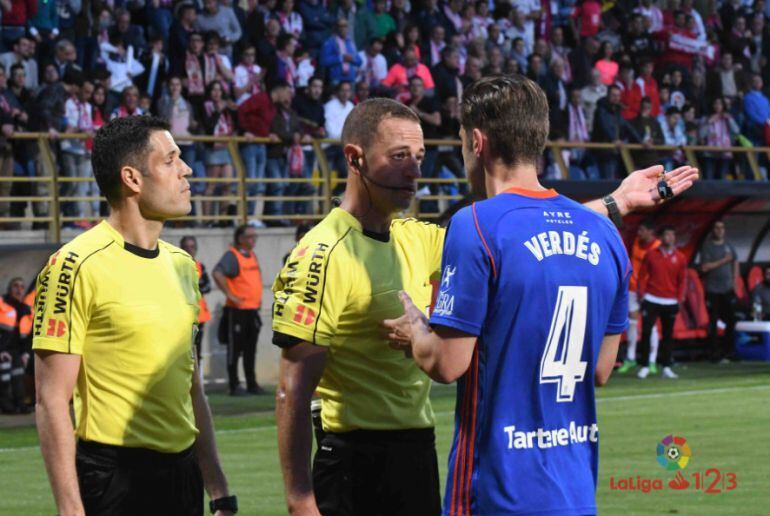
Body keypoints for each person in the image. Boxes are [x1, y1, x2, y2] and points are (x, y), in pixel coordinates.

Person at [271, 95, 698, 515]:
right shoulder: (322, 254)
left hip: (419, 449)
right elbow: (293, 385)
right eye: (400, 155)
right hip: (351, 458)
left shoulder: (417, 238)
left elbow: (517, 236)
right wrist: (300, 499)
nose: (416, 170)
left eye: (420, 156)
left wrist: (614, 203)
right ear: (355, 157)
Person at [382, 74, 631, 516]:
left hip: (497, 491)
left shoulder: (476, 224)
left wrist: (416, 329)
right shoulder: (605, 233)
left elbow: (446, 363)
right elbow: (602, 369)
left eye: (461, 143)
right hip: (574, 490)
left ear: (477, 141)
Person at [33, 116, 236, 515]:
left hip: (183, 475)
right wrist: (71, 510)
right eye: (170, 160)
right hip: (114, 479)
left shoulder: (182, 266)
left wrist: (217, 485)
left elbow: (190, 384)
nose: (186, 170)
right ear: (132, 178)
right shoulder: (74, 265)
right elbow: (52, 400)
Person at [213, 225, 265, 396]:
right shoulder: (232, 255)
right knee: (234, 350)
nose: (253, 239)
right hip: (237, 311)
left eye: (254, 236)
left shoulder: (252, 255)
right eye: (250, 236)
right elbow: (217, 273)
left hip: (252, 311)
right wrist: (230, 294)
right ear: (240, 238)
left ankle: (252, 384)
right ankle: (234, 385)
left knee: (251, 350)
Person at [636, 225, 687, 379]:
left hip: (670, 301)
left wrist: (679, 298)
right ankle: (644, 365)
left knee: (668, 335)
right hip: (651, 299)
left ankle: (666, 366)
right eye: (666, 235)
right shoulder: (651, 255)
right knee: (645, 332)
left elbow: (682, 280)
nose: (669, 238)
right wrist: (642, 295)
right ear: (661, 238)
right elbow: (642, 276)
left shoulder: (680, 257)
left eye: (672, 235)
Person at [617, 219, 662, 374]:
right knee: (632, 323)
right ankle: (630, 358)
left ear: (651, 232)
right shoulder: (636, 242)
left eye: (642, 230)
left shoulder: (657, 248)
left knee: (652, 325)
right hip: (633, 288)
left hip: (650, 291)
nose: (639, 233)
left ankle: (652, 361)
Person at [698, 220, 739, 362]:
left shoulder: (729, 245)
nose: (720, 230)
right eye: (717, 228)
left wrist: (735, 282)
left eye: (722, 228)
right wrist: (723, 260)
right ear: (713, 230)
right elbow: (704, 267)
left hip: (727, 289)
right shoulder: (707, 247)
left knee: (731, 320)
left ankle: (729, 351)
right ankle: (714, 353)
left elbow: (735, 261)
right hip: (713, 290)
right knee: (713, 321)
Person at [0, 277, 32, 414]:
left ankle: (21, 404)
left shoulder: (26, 310)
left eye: (22, 287)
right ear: (9, 289)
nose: (19, 289)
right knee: (5, 376)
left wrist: (26, 353)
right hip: (3, 351)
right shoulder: (2, 306)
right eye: (15, 286)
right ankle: (6, 406)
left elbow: (28, 336)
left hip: (16, 351)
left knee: (18, 374)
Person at [181, 236, 213, 371]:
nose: (190, 250)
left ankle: (198, 385)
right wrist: (197, 285)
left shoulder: (200, 266)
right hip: (184, 314)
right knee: (184, 351)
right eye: (186, 247)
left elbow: (207, 286)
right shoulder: (177, 265)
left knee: (197, 350)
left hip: (200, 315)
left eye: (192, 247)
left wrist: (194, 286)